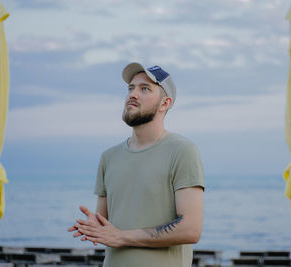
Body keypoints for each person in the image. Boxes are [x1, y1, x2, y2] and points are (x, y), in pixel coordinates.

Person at [68, 62, 205, 267]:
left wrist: (122, 237)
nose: (133, 94)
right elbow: (105, 223)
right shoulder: (109, 157)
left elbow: (191, 229)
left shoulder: (182, 151)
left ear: (165, 103)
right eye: (131, 88)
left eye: (145, 89)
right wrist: (93, 227)